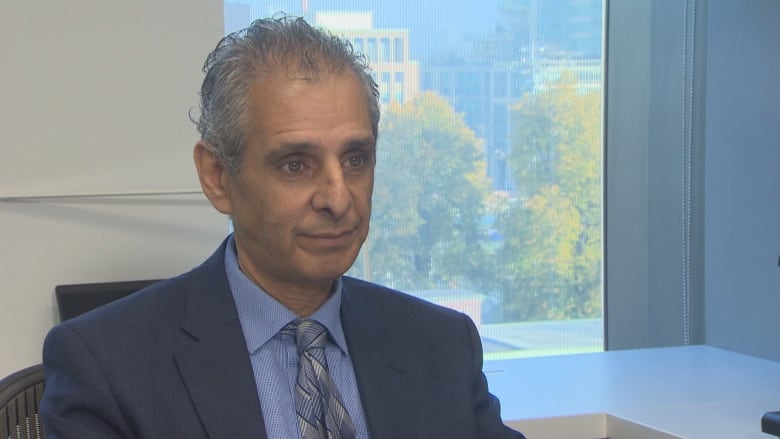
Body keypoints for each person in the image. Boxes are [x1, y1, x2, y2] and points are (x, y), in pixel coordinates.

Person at [40, 14, 525, 439]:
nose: (338, 198)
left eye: (356, 159)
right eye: (296, 164)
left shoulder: (441, 345)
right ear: (217, 177)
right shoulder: (106, 365)